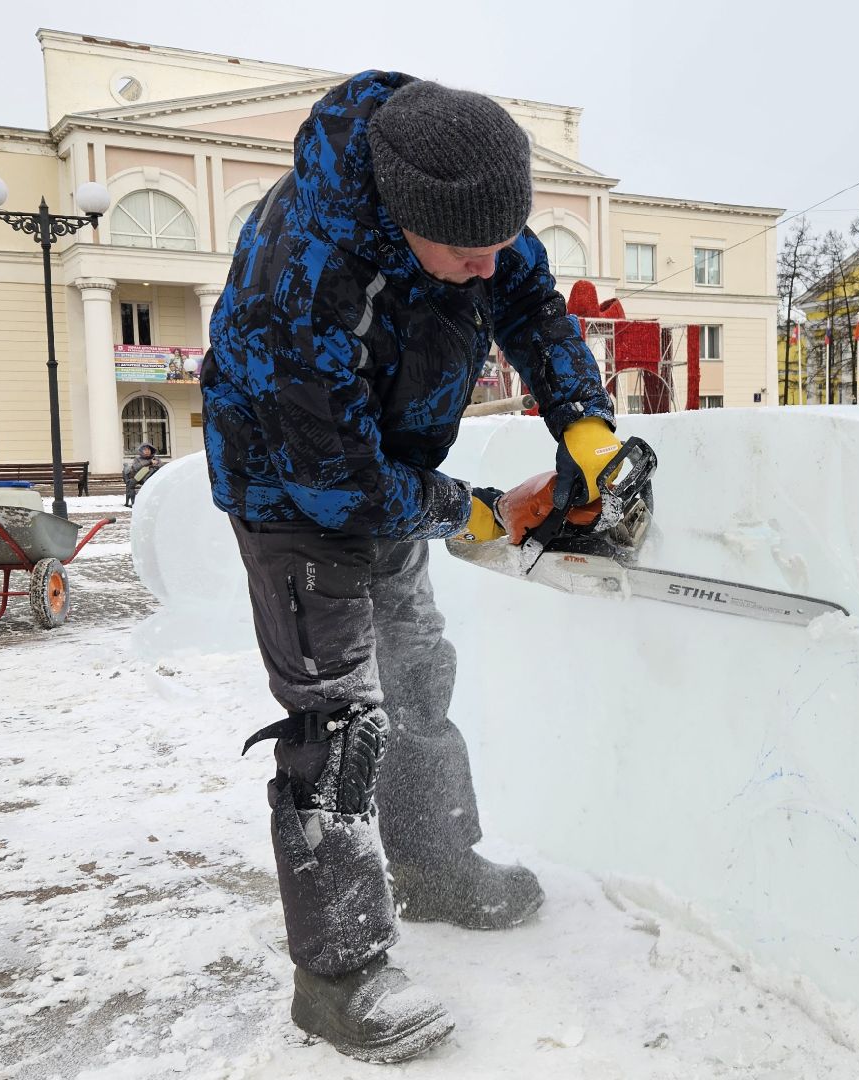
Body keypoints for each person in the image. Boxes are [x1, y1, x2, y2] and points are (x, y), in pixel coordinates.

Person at [200, 72, 619, 1064]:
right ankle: (338, 980)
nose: (484, 267)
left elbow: (527, 299)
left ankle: (436, 867)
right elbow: (333, 480)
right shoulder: (297, 277)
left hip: (387, 472)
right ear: (401, 214)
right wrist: (473, 511)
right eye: (464, 251)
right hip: (291, 497)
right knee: (340, 720)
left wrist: (584, 423)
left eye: (494, 242)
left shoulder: (462, 210)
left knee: (417, 672)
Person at [122, 441, 161, 506]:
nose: (147, 451)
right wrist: (149, 462)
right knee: (131, 484)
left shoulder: (156, 458)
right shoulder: (137, 459)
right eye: (145, 450)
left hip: (153, 477)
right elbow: (136, 467)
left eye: (148, 449)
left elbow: (162, 466)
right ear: (141, 451)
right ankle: (133, 502)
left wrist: (156, 465)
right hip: (139, 478)